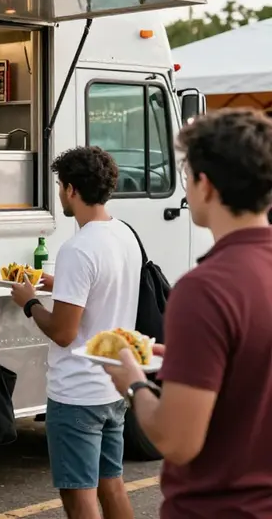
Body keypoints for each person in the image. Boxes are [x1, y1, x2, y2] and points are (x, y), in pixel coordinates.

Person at [105, 109, 272, 519]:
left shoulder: (205, 289)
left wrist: (134, 383)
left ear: (205, 185)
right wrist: (179, 354)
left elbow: (178, 441)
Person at [11, 146, 141, 519]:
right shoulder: (124, 235)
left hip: (76, 392)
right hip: (111, 383)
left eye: (58, 185)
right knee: (112, 485)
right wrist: (58, 283)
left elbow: (64, 332)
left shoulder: (78, 248)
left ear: (70, 190)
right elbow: (102, 289)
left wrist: (30, 301)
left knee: (79, 497)